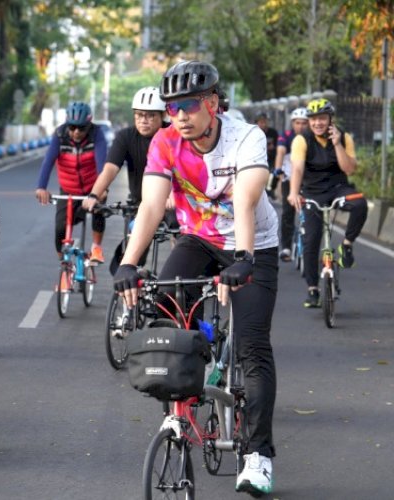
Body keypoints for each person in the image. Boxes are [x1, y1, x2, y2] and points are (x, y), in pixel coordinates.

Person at [113, 60, 278, 496]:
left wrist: (243, 259)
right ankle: (178, 411)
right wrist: (129, 264)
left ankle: (258, 454)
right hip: (198, 239)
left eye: (188, 106)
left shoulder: (246, 138)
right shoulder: (165, 143)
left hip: (253, 244)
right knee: (167, 315)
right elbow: (151, 207)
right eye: (172, 108)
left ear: (212, 104)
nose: (179, 116)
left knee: (254, 344)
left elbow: (244, 201)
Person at [82, 87, 176, 272]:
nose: (143, 120)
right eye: (139, 115)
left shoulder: (174, 134)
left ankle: (179, 284)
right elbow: (110, 168)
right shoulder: (125, 137)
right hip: (141, 203)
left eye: (150, 116)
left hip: (172, 202)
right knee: (129, 261)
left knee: (180, 239)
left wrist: (175, 195)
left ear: (163, 115)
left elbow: (184, 168)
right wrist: (94, 194)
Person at [287, 98, 367, 308]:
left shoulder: (344, 137)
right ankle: (313, 289)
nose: (317, 123)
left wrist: (338, 144)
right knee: (311, 241)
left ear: (330, 119)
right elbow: (297, 168)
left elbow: (349, 169)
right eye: (313, 120)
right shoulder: (301, 140)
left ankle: (347, 246)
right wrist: (294, 193)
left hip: (338, 189)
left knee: (360, 204)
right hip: (312, 193)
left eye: (322, 118)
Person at [36, 101, 108, 263]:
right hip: (68, 189)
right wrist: (41, 187)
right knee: (60, 228)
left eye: (81, 128)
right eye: (72, 127)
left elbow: (102, 163)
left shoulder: (97, 134)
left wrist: (102, 189)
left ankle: (96, 247)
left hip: (92, 188)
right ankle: (63, 263)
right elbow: (48, 161)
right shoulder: (60, 135)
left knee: (99, 210)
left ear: (89, 125)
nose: (76, 132)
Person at [274, 107, 310, 262]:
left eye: (303, 123)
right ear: (293, 123)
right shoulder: (286, 136)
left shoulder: (311, 137)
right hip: (289, 177)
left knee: (312, 212)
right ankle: (286, 247)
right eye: (297, 123)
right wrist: (277, 168)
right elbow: (280, 152)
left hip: (309, 179)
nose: (300, 126)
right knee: (287, 213)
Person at [255, 112, 280, 199]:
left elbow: (278, 145)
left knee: (274, 174)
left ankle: (270, 190)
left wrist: (273, 147)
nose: (263, 124)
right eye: (261, 122)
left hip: (271, 157)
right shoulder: (254, 132)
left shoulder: (273, 132)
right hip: (258, 158)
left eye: (265, 122)